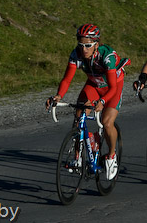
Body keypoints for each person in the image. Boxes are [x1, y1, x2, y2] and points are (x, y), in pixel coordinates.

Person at [46, 23, 130, 180]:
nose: (84, 49)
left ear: (96, 44)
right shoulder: (76, 54)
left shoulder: (107, 56)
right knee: (79, 114)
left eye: (88, 45)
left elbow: (112, 87)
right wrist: (58, 96)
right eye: (81, 45)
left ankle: (111, 157)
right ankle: (78, 156)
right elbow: (67, 79)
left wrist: (103, 101)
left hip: (112, 87)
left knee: (106, 122)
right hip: (94, 84)